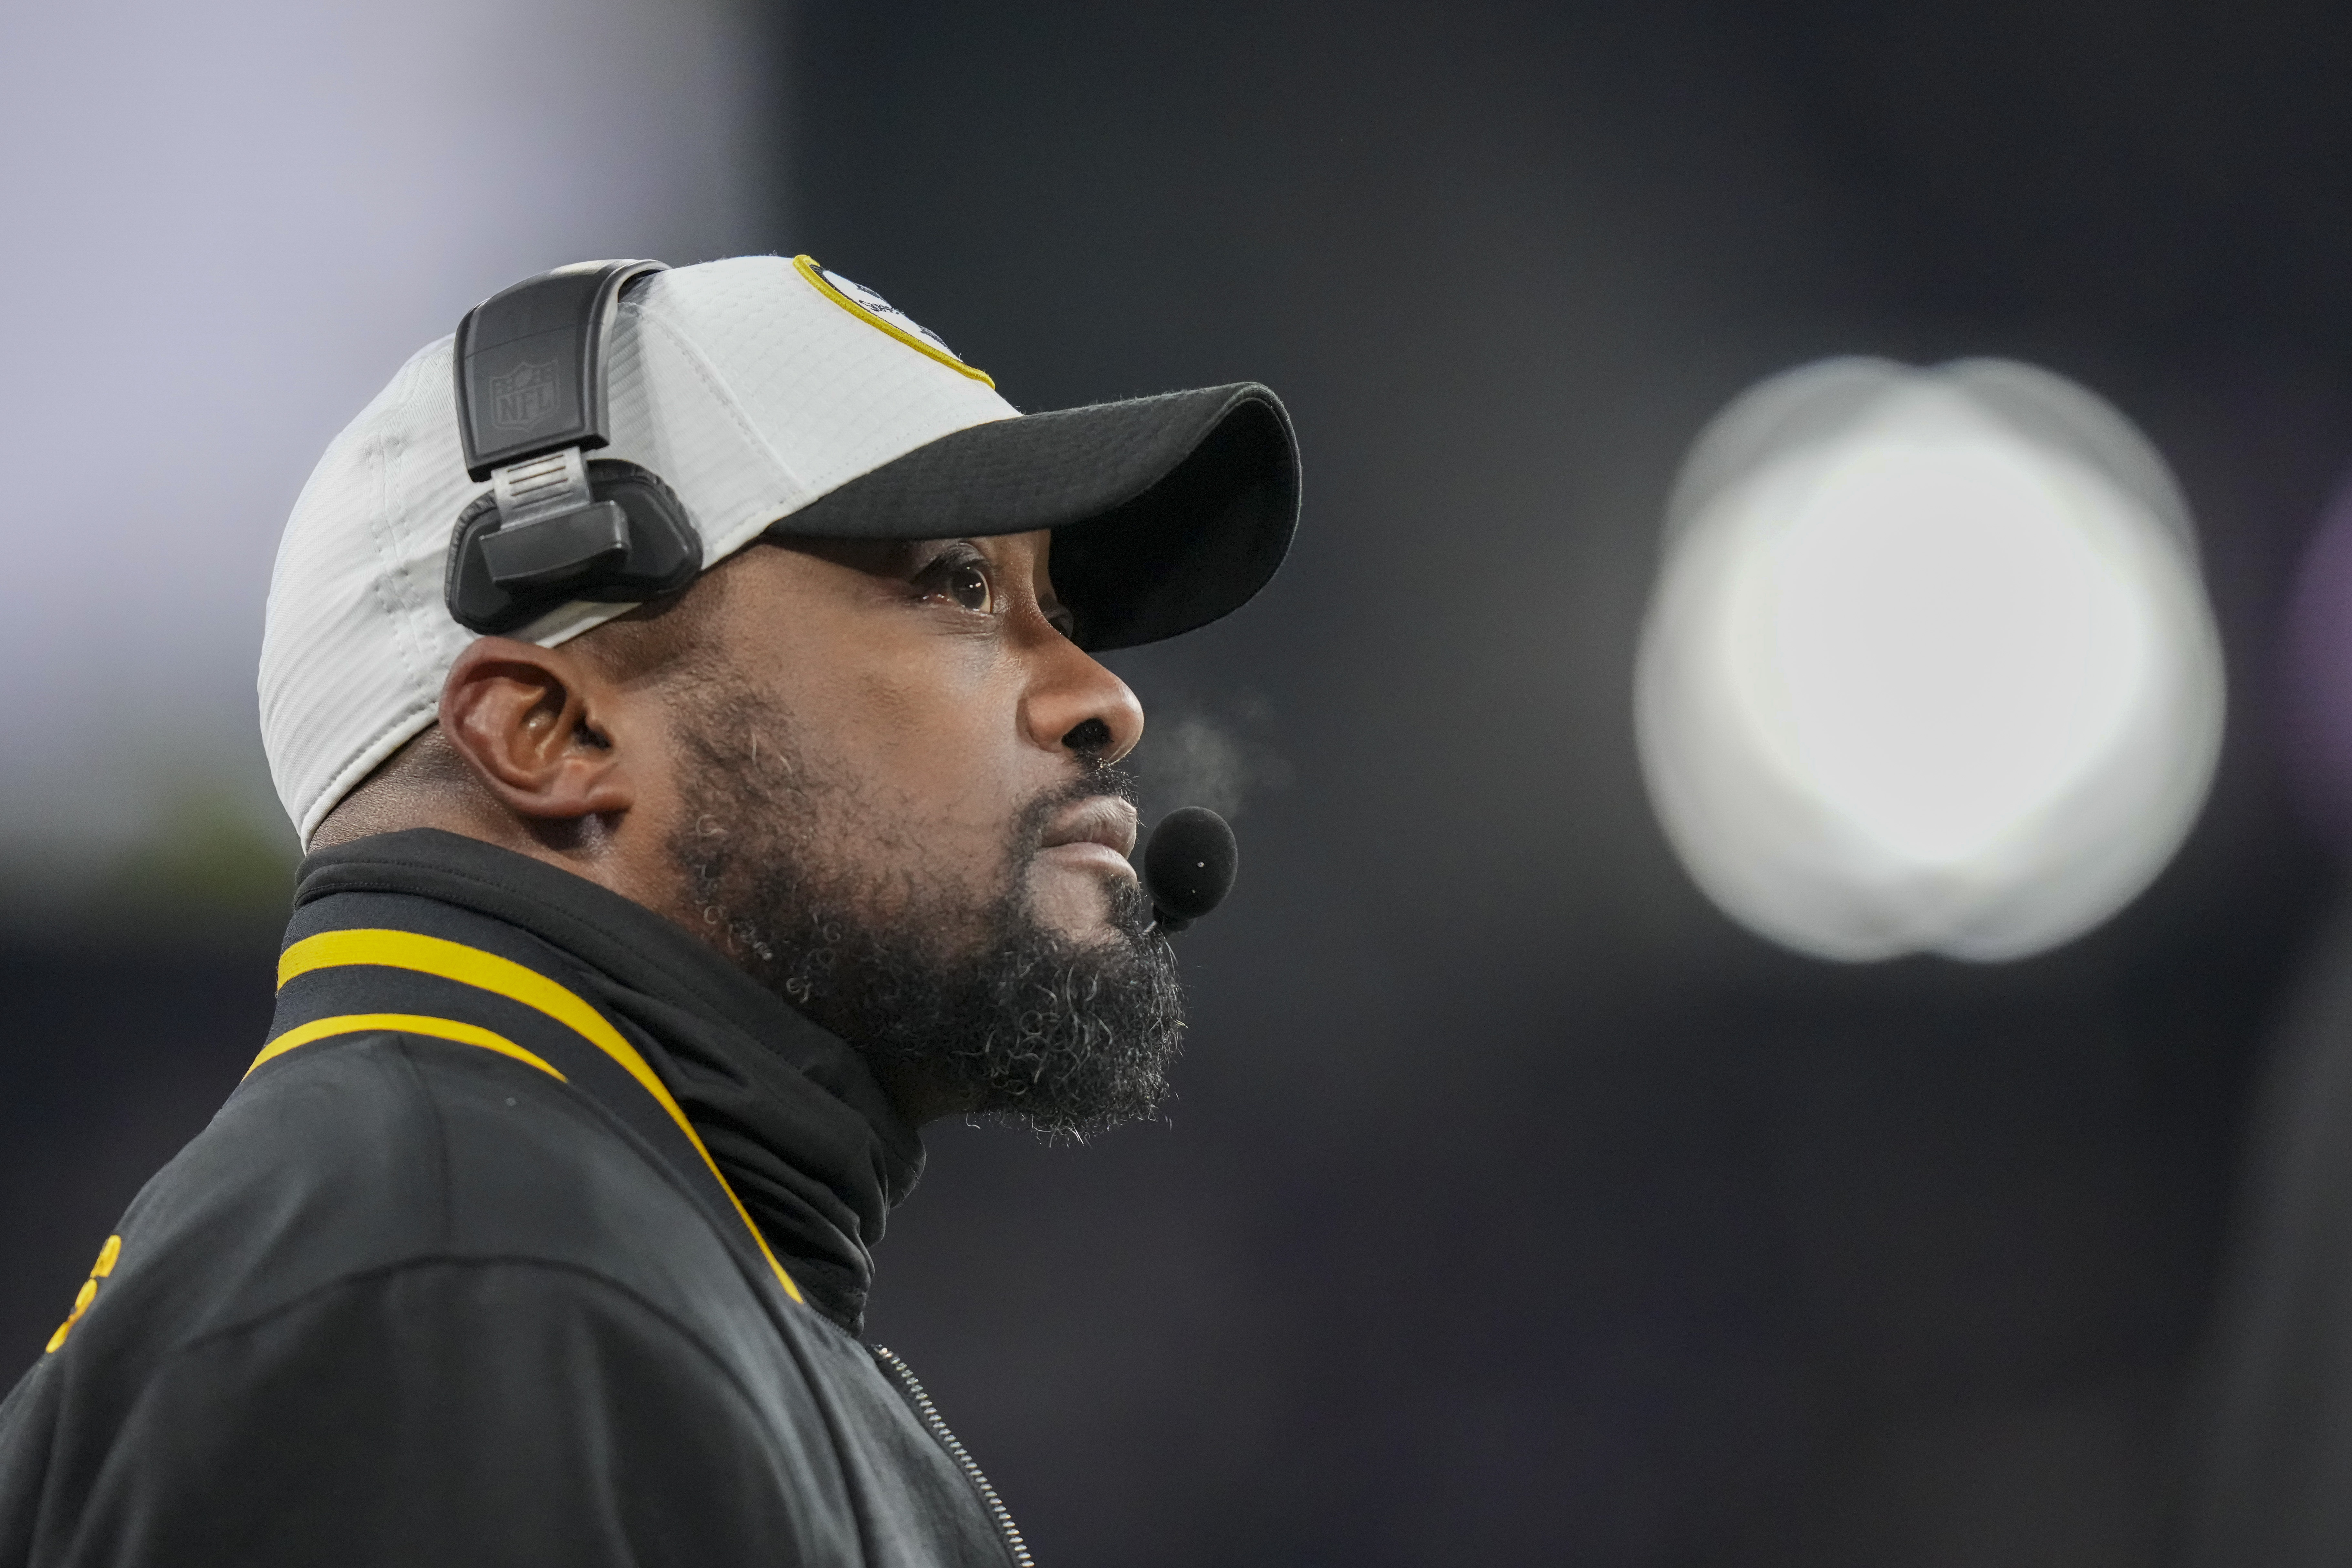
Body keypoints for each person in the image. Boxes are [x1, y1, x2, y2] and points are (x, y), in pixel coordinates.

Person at [0, 254, 1297, 1566]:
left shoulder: (539, 1264)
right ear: (549, 731)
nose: (1108, 699)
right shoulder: (469, 1304)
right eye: (958, 584)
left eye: (1059, 608)